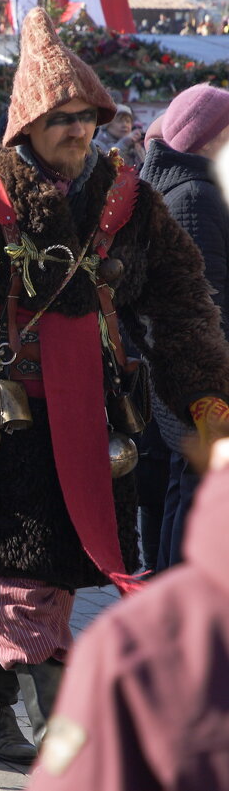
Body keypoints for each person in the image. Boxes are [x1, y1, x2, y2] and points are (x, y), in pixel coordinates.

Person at [0, 7, 229, 765]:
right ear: (28, 124)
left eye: (89, 117)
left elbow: (180, 296)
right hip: (2, 428)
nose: (80, 131)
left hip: (96, 423)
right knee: (25, 578)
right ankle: (59, 728)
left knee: (55, 577)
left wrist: (204, 388)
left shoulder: (127, 201)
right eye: (63, 118)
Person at [26, 434, 229, 790]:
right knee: (26, 591)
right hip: (20, 450)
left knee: (37, 594)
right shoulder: (139, 640)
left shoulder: (134, 639)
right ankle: (10, 708)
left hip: (78, 439)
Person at [139, 83, 229, 571]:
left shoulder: (193, 187)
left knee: (186, 492)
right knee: (195, 500)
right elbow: (206, 303)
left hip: (190, 380)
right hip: (202, 381)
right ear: (209, 137)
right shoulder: (194, 195)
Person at [93, 103, 145, 169]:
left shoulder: (135, 145)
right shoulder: (96, 145)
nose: (125, 125)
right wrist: (125, 143)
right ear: (107, 125)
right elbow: (110, 165)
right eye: (119, 121)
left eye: (128, 121)